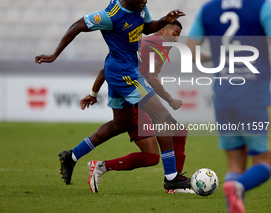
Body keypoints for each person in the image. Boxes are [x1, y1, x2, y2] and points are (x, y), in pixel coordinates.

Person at [35, 0, 191, 192]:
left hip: (118, 71)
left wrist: (165, 19)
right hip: (125, 75)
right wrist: (54, 55)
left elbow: (147, 27)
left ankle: (71, 155)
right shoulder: (110, 16)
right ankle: (172, 178)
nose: (145, 2)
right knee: (162, 117)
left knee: (120, 125)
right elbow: (77, 25)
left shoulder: (140, 9)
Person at [186, 0, 271, 212]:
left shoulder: (208, 8)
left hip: (223, 97)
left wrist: (219, 59)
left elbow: (189, 52)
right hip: (254, 97)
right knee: (265, 163)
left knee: (235, 165)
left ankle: (234, 198)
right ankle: (238, 188)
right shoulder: (263, 4)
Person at [81, 20, 193, 193]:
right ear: (162, 30)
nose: (176, 39)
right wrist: (170, 99)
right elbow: (151, 76)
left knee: (163, 146)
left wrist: (94, 92)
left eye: (179, 35)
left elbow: (107, 69)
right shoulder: (158, 43)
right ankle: (173, 182)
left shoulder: (147, 43)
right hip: (137, 102)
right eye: (174, 33)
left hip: (136, 98)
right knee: (154, 152)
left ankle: (173, 181)